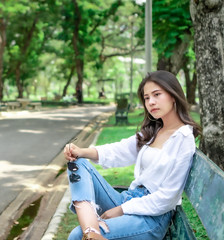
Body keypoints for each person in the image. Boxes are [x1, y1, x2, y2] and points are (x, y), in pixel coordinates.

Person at [63, 70, 201, 240]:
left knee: (76, 236)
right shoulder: (153, 131)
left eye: (157, 95)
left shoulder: (183, 138)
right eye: (147, 98)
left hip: (152, 217)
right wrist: (81, 151)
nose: (151, 102)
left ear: (173, 95)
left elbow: (167, 198)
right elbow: (118, 151)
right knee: (79, 162)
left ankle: (90, 233)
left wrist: (122, 209)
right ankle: (91, 230)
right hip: (128, 199)